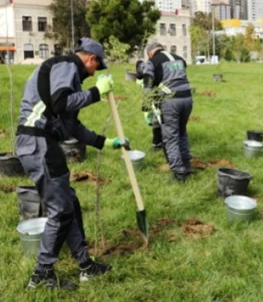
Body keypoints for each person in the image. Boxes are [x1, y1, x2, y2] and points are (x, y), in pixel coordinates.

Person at [16, 38, 129, 290]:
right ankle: (41, 275)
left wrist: (104, 142)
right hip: (39, 143)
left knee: (69, 203)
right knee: (61, 210)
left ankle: (85, 266)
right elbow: (60, 103)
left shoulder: (68, 77)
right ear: (91, 59)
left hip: (41, 143)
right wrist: (96, 93)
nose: (94, 74)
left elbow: (71, 125)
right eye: (96, 67)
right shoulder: (65, 65)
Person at [141, 42, 194, 182]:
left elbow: (147, 84)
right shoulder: (179, 58)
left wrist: (146, 104)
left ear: (150, 52)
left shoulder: (152, 62)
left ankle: (179, 173)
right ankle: (187, 165)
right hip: (187, 98)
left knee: (171, 137)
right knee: (182, 132)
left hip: (171, 101)